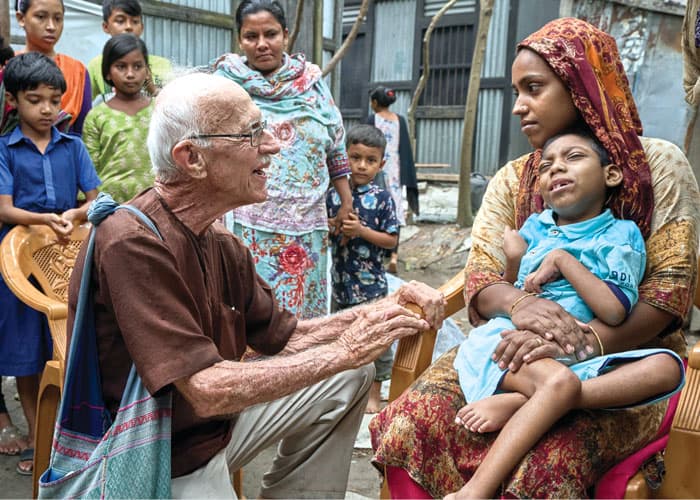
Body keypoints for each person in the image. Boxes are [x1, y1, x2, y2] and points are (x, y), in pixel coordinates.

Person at [66, 71, 445, 498]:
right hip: (160, 454)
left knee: (350, 376)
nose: (273, 144)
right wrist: (344, 349)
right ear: (192, 158)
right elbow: (206, 390)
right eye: (251, 134)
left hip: (218, 428)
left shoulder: (216, 236)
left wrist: (382, 308)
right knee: (344, 362)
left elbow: (286, 336)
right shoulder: (133, 243)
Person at [369, 17, 700, 498]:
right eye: (516, 92)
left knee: (548, 461)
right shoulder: (512, 179)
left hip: (617, 354)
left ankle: (549, 400)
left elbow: (668, 295)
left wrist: (576, 343)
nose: (518, 106)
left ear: (582, 85)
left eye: (534, 88)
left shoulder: (658, 167)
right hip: (511, 346)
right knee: (410, 422)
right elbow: (484, 285)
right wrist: (523, 307)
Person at [448, 128, 684, 499]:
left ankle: (528, 402)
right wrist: (512, 261)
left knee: (667, 368)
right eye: (546, 166)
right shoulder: (535, 228)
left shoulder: (620, 236)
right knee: (558, 382)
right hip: (508, 346)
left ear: (611, 175)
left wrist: (563, 260)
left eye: (573, 158)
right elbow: (520, 291)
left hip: (577, 353)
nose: (556, 169)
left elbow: (614, 311)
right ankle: (474, 491)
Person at [212, 0, 353, 319]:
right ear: (239, 40)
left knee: (302, 309)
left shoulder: (312, 85)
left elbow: (335, 143)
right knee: (251, 304)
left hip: (307, 225)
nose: (261, 44)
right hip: (245, 222)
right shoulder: (224, 85)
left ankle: (304, 367)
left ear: (286, 35)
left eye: (271, 34)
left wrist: (346, 201)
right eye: (251, 36)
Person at [0, 52, 101, 476]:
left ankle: (72, 441)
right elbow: (4, 209)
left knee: (70, 345)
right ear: (13, 102)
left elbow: (96, 198)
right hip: (18, 264)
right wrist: (44, 218)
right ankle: (39, 442)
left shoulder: (72, 147)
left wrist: (76, 215)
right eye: (34, 99)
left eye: (53, 100)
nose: (46, 109)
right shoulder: (6, 150)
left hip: (65, 259)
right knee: (27, 353)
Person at [327, 124, 399, 414]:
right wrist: (334, 227)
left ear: (381, 164)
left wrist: (360, 231)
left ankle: (374, 392)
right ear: (344, 158)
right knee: (341, 339)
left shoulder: (383, 199)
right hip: (340, 285)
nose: (361, 165)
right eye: (355, 157)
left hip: (371, 288)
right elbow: (327, 231)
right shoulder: (333, 195)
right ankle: (345, 391)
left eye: (370, 160)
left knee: (375, 343)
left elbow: (391, 240)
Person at [83, 33, 154, 202]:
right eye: (121, 67)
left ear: (147, 71)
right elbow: (89, 168)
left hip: (154, 203)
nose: (130, 74)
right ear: (107, 73)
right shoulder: (97, 116)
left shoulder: (159, 110)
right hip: (110, 205)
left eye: (137, 66)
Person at [15, 0, 92, 135]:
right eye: (41, 17)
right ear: (21, 19)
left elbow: (83, 129)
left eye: (57, 19)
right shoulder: (8, 67)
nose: (51, 26)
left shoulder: (77, 71)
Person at [367, 86, 418, 274]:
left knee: (375, 207)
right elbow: (404, 147)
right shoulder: (400, 120)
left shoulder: (372, 120)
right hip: (395, 171)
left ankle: (378, 253)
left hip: (377, 170)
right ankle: (394, 257)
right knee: (394, 210)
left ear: (374, 102)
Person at [87, 0, 173, 103]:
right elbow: (84, 105)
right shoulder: (97, 64)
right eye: (120, 21)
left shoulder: (163, 64)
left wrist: (152, 89)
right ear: (106, 26)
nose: (129, 27)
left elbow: (173, 104)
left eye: (135, 21)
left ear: (142, 27)